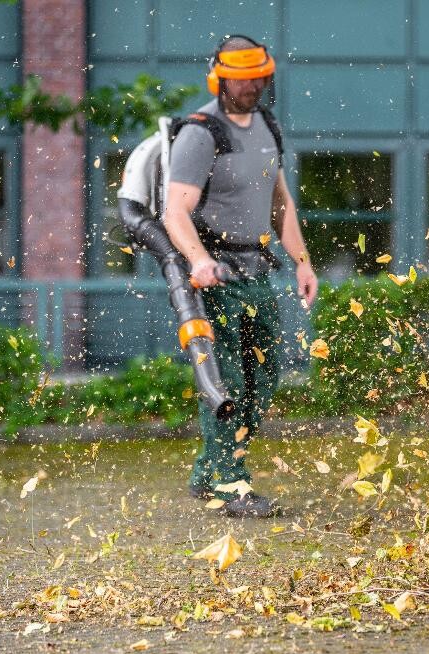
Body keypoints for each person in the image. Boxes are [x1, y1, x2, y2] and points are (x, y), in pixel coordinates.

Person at [161, 34, 317, 518]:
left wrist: (302, 261)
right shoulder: (201, 132)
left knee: (264, 375)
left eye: (257, 78)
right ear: (219, 77)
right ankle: (230, 483)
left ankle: (212, 470)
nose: (250, 86)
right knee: (226, 378)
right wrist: (199, 260)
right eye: (240, 79)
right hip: (217, 276)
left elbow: (281, 202)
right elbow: (174, 212)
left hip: (259, 271)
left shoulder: (268, 126)